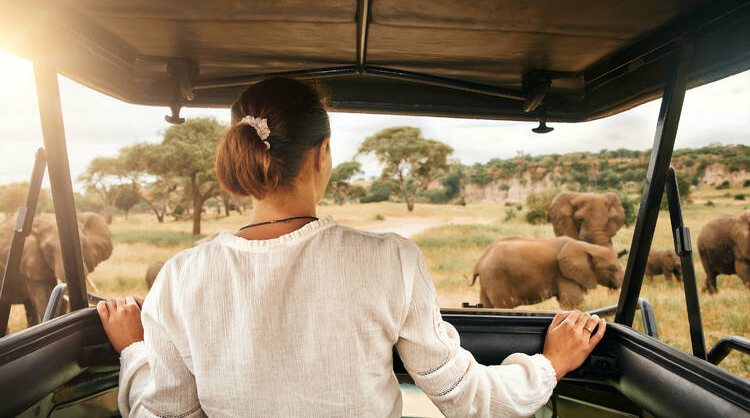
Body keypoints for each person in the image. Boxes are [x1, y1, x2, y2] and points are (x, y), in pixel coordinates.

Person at [98, 77, 606, 418]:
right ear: (322, 155)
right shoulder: (390, 259)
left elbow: (166, 412)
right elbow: (465, 395)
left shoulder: (181, 276)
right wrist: (550, 365)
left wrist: (135, 350)